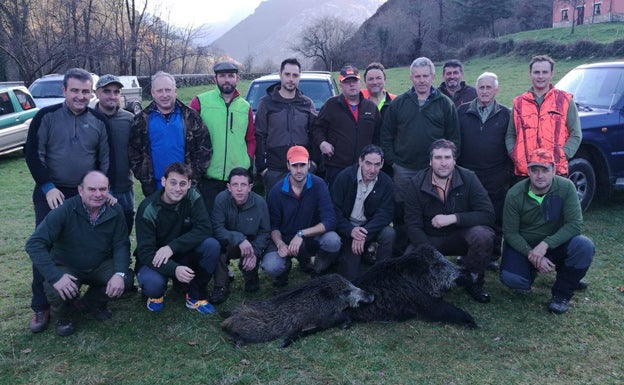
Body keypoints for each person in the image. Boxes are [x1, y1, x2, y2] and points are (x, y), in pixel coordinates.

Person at [24, 68, 110, 333]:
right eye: (75, 90)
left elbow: (105, 158)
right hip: (52, 192)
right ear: (64, 91)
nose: (80, 96)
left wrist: (99, 191)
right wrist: (48, 186)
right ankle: (41, 305)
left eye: (85, 91)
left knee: (86, 244)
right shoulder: (45, 117)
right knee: (47, 246)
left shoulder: (97, 120)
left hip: (85, 193)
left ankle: (81, 300)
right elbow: (32, 154)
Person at [25, 171, 130, 336]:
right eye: (92, 189)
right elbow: (34, 244)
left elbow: (121, 245)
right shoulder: (65, 210)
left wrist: (120, 273)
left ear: (108, 189)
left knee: (126, 278)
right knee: (56, 288)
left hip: (99, 264)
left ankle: (90, 304)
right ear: (80, 190)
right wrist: (56, 277)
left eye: (103, 189)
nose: (98, 194)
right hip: (67, 266)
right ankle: (62, 317)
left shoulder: (115, 210)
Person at [380, 57, 460, 256]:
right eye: (417, 76)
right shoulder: (399, 103)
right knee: (402, 211)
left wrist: (444, 166)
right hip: (404, 169)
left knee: (431, 210)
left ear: (433, 77)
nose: (422, 80)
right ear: (411, 78)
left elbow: (454, 139)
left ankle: (429, 252)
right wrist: (393, 163)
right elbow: (386, 135)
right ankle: (399, 253)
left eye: (426, 76)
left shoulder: (445, 104)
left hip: (434, 171)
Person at [500, 148, 594, 314]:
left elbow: (574, 224)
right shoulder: (514, 194)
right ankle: (531, 270)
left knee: (584, 246)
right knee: (513, 280)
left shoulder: (566, 187)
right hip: (525, 246)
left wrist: (545, 245)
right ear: (528, 171)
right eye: (534, 170)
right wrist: (532, 255)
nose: (540, 175)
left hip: (554, 244)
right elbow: (510, 233)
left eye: (545, 170)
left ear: (554, 170)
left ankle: (562, 293)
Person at [404, 139, 495, 303]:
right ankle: (435, 281)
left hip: (461, 235)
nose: (443, 163)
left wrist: (454, 218)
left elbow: (488, 214)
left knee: (483, 235)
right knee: (408, 271)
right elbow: (413, 225)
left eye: (447, 158)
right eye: (438, 158)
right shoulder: (415, 183)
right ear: (430, 161)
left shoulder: (469, 178)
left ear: (454, 160)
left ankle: (474, 281)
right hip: (429, 238)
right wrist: (432, 255)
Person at [134, 162, 221, 314]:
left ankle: (195, 295)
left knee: (211, 245)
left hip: (181, 252)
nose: (177, 188)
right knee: (153, 284)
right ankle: (156, 294)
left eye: (182, 184)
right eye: (173, 183)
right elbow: (145, 252)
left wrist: (172, 247)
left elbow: (205, 228)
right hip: (155, 257)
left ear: (189, 184)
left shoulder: (193, 196)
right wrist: (174, 269)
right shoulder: (148, 208)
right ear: (163, 182)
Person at [261, 146, 341, 287]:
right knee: (271, 265)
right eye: (294, 165)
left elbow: (330, 220)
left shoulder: (319, 184)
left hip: (309, 237)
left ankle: (318, 270)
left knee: (333, 240)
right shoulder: (276, 191)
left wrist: (302, 234)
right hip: (285, 239)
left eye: (302, 165)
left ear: (309, 164)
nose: (299, 170)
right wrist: (280, 244)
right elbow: (273, 226)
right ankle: (284, 270)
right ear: (288, 166)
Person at [457, 72, 513, 269]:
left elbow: (511, 145)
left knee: (495, 216)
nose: (485, 91)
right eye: (481, 87)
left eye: (489, 87)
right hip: (468, 175)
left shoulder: (506, 114)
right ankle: (467, 253)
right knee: (467, 214)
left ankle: (492, 256)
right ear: (476, 89)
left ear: (496, 90)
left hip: (495, 176)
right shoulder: (462, 112)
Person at [129, 71, 212, 197]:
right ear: (152, 93)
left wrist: (193, 176)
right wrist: (143, 174)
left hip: (185, 189)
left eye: (168, 90)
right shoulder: (141, 120)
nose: (164, 95)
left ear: (175, 91)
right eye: (160, 91)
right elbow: (133, 151)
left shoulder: (191, 117)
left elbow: (205, 148)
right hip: (154, 189)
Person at [190, 61, 255, 212]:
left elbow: (250, 138)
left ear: (237, 79)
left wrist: (246, 158)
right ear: (215, 79)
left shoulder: (245, 107)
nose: (227, 80)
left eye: (231, 76)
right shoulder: (200, 102)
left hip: (236, 180)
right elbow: (189, 137)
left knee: (235, 225)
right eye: (222, 76)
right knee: (210, 226)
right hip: (208, 178)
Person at [506, 55, 582, 177]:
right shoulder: (519, 103)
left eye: (545, 72)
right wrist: (515, 154)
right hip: (525, 172)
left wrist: (562, 154)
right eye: (536, 72)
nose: (540, 76)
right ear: (530, 74)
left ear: (551, 74)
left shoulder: (564, 100)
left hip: (555, 171)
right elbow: (511, 134)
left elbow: (576, 134)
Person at [331, 144, 395, 280]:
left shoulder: (386, 181)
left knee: (389, 233)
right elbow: (334, 211)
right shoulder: (344, 177)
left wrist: (364, 233)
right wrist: (351, 231)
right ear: (360, 161)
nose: (372, 169)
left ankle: (382, 274)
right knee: (351, 277)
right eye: (368, 164)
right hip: (347, 228)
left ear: (382, 164)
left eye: (377, 164)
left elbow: (385, 213)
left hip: (369, 227)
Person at [255, 58, 318, 193]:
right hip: (274, 170)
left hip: (302, 169)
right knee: (276, 212)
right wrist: (263, 169)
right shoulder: (266, 103)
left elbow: (315, 134)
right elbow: (259, 136)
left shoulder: (307, 104)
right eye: (287, 74)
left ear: (299, 77)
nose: (291, 79)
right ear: (280, 75)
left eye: (295, 75)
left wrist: (313, 164)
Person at [312, 65, 381, 187]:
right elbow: (317, 128)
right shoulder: (330, 105)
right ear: (340, 85)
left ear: (360, 83)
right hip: (337, 167)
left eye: (354, 81)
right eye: (347, 81)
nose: (351, 85)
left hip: (365, 168)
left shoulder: (370, 107)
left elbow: (378, 135)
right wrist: (322, 143)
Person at [210, 167, 271, 303]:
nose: (239, 189)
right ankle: (221, 286)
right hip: (228, 242)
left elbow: (265, 231)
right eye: (235, 185)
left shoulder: (260, 203)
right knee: (215, 247)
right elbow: (217, 228)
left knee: (252, 287)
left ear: (250, 187)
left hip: (251, 242)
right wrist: (238, 239)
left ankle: (251, 276)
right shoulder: (221, 199)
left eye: (243, 185)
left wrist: (255, 252)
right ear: (228, 187)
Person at [94, 74, 135, 234]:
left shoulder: (129, 119)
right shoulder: (88, 118)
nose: (112, 96)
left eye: (116, 92)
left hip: (123, 187)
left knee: (124, 229)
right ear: (97, 93)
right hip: (96, 190)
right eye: (107, 91)